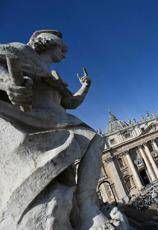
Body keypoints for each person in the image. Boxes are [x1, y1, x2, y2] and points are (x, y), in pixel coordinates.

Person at [0, 30, 108, 229]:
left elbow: (70, 102)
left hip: (58, 117)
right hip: (37, 119)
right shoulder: (23, 51)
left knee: (78, 162)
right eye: (62, 48)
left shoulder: (53, 74)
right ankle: (87, 209)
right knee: (94, 139)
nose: (65, 53)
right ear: (49, 42)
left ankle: (83, 209)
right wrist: (8, 85)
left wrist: (85, 86)